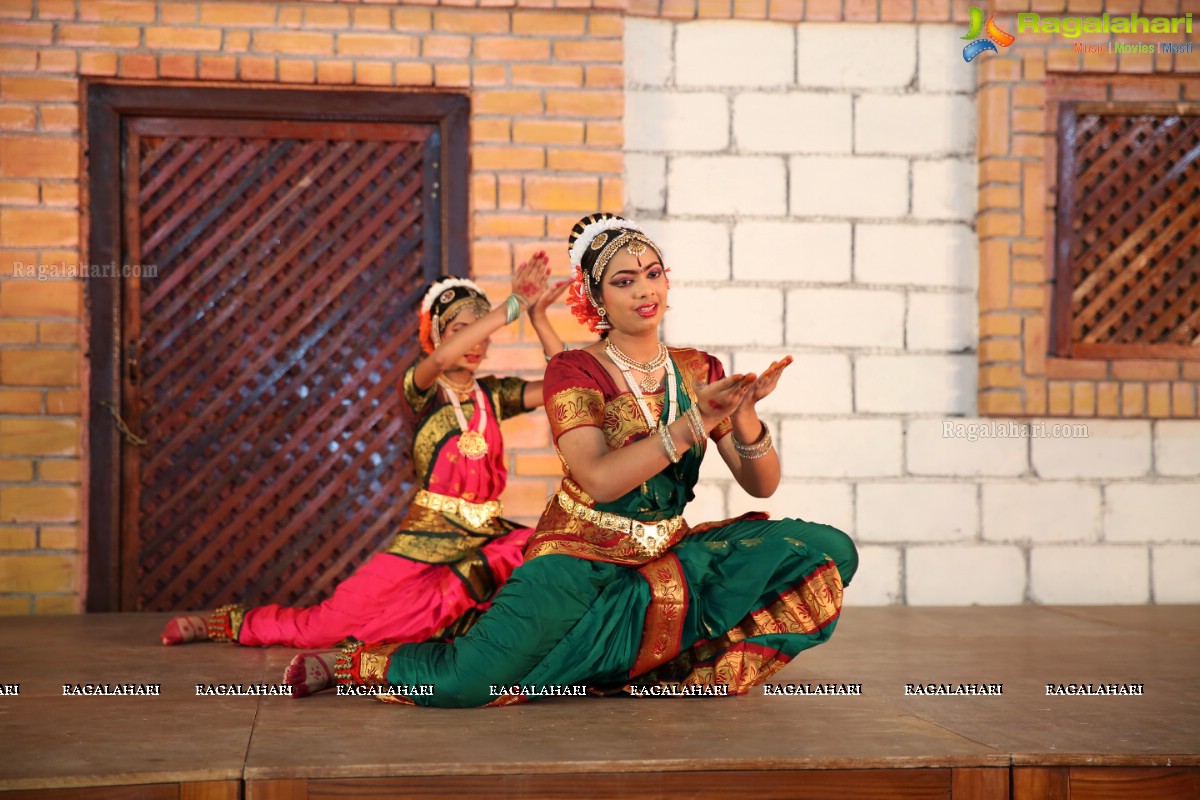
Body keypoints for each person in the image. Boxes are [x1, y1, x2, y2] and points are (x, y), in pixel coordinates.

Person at [294, 214, 858, 705]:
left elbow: (762, 486)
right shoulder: (574, 371)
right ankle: (351, 665)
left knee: (827, 552)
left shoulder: (698, 369)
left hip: (662, 552)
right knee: (469, 683)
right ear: (595, 300)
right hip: (578, 555)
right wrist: (692, 425)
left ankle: (622, 664)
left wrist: (747, 414)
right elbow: (600, 478)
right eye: (624, 280)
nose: (645, 289)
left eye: (653, 273)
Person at [161, 254, 569, 695]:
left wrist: (538, 316)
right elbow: (446, 356)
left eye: (479, 334)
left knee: (529, 572)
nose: (474, 345)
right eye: (459, 330)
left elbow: (563, 385)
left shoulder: (492, 394)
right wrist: (509, 306)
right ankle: (223, 623)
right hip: (426, 540)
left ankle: (351, 665)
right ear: (435, 335)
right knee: (322, 626)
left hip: (489, 537)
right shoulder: (421, 387)